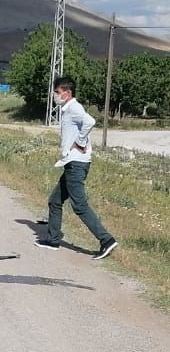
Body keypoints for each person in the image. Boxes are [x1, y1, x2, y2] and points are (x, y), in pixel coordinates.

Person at [34, 77, 118, 259]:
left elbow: (90, 122)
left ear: (67, 93)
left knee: (79, 205)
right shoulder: (68, 109)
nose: (55, 95)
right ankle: (53, 240)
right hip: (71, 163)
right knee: (55, 200)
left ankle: (106, 240)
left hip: (76, 164)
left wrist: (79, 142)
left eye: (57, 92)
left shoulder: (74, 107)